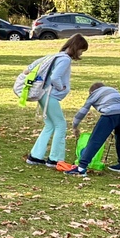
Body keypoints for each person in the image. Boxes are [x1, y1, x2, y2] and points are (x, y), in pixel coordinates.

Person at [24, 34, 88, 169]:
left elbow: (30, 67)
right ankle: (55, 159)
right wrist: (62, 87)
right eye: (81, 50)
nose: (81, 53)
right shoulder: (65, 60)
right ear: (76, 48)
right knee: (60, 125)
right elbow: (55, 77)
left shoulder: (55, 55)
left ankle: (35, 156)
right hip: (50, 95)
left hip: (42, 94)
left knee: (50, 125)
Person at [66, 82, 120, 176]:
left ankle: (81, 168)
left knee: (95, 140)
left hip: (109, 114)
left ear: (91, 92)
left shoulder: (94, 94)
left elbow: (82, 112)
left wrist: (75, 126)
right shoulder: (112, 90)